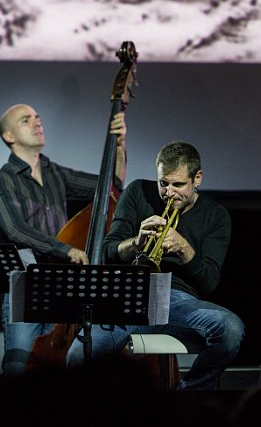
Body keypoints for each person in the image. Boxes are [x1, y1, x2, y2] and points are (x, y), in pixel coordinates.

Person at [66, 140, 245, 390]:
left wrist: (185, 249)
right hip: (130, 296)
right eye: (164, 183)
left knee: (231, 329)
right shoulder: (138, 191)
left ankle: (187, 397)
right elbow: (108, 252)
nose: (169, 193)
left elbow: (209, 282)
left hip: (178, 302)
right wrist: (137, 243)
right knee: (77, 357)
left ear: (198, 179)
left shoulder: (216, 215)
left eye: (178, 184)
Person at [0, 102, 127, 380]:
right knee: (18, 368)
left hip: (61, 284)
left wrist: (120, 144)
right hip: (25, 285)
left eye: (38, 117)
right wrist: (65, 249)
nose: (37, 122)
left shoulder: (55, 172)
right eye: (26, 120)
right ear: (9, 136)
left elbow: (111, 186)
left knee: (55, 369)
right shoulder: (3, 180)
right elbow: (16, 230)